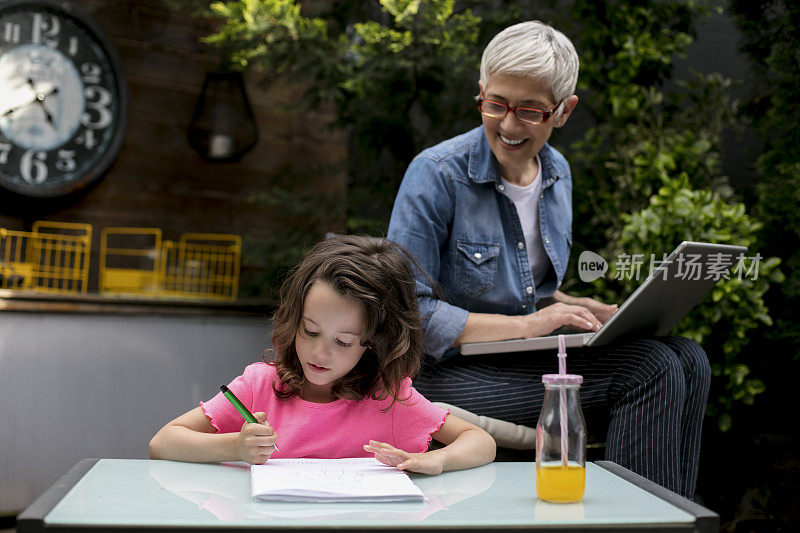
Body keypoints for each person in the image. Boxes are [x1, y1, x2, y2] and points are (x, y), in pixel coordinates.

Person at [387, 21, 710, 498]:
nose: (509, 125)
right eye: (496, 104)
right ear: (480, 92)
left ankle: (673, 515)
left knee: (689, 357)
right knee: (651, 368)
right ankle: (628, 524)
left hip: (514, 360)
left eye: (530, 111)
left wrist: (568, 304)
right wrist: (534, 324)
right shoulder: (435, 174)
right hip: (440, 374)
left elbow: (524, 286)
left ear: (563, 111)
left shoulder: (557, 173)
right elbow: (407, 313)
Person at [149, 235, 496, 475]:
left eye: (343, 342)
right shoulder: (260, 386)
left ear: (374, 343)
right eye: (310, 330)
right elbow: (162, 443)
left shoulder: (388, 396)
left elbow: (480, 442)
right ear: (294, 318)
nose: (319, 352)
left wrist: (437, 461)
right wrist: (233, 448)